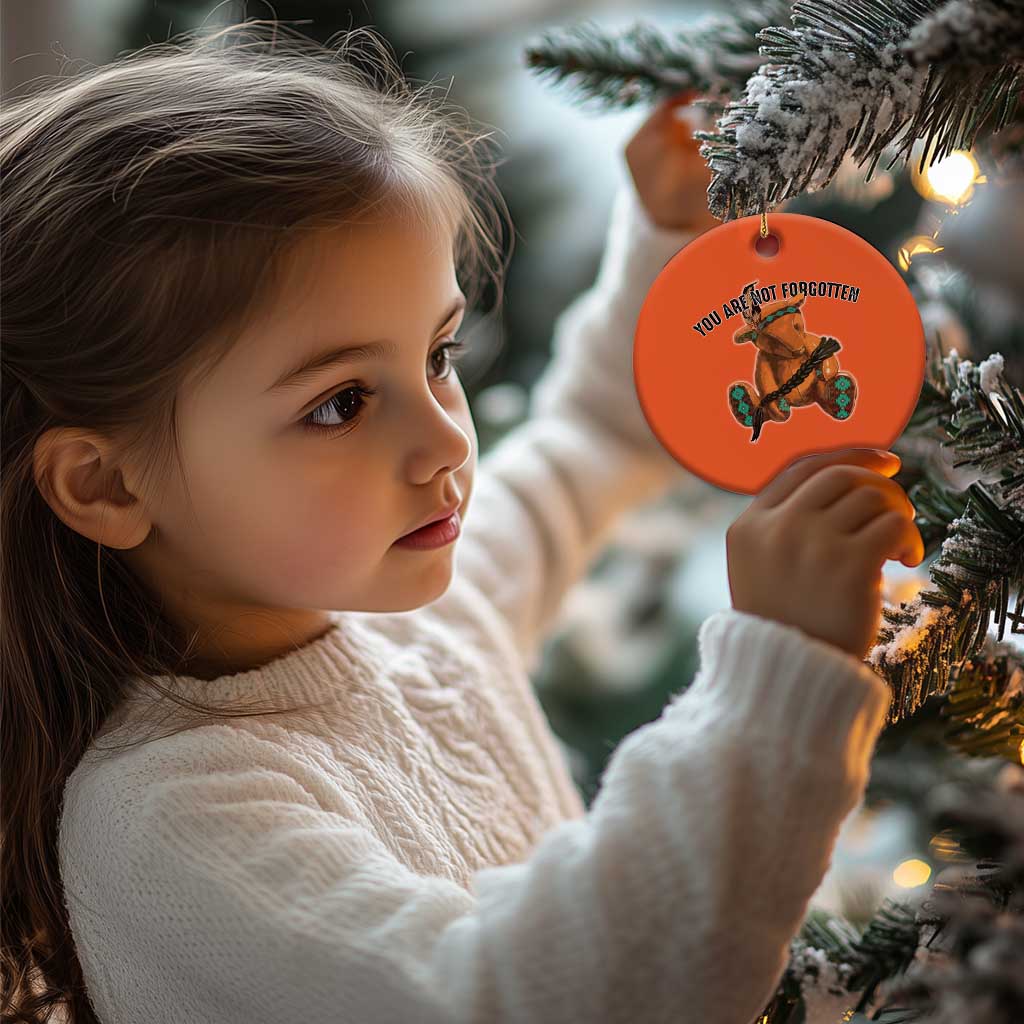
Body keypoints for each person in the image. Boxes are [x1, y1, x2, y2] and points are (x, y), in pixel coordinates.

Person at [0, 20, 922, 1024]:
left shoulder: (423, 620)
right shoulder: (170, 817)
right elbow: (533, 999)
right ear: (106, 487)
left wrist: (668, 240)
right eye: (340, 402)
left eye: (436, 357)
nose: (443, 442)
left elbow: (594, 438)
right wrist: (776, 676)